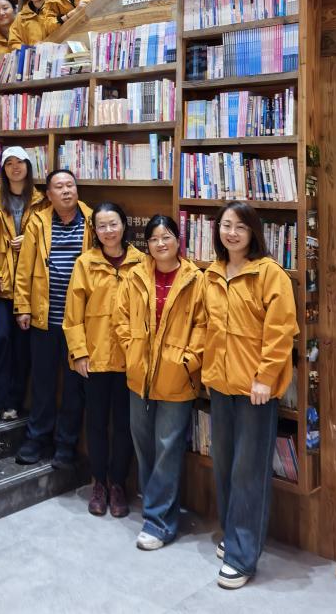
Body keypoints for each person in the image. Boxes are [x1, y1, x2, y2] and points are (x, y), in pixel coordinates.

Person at [202, 201, 297, 589]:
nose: (232, 233)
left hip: (255, 389)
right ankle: (234, 533)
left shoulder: (269, 273)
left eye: (240, 227)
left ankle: (242, 556)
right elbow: (206, 326)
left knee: (249, 471)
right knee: (224, 464)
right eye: (226, 225)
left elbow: (281, 332)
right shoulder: (212, 272)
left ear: (253, 231)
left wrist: (265, 377)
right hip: (220, 384)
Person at [113, 215, 205, 550]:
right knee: (144, 445)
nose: (160, 243)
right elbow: (120, 318)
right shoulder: (135, 275)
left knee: (168, 448)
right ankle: (157, 508)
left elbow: (204, 325)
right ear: (147, 244)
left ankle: (159, 521)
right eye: (153, 239)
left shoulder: (196, 279)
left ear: (178, 240)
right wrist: (131, 350)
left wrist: (187, 361)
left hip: (177, 377)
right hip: (140, 375)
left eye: (166, 237)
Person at [63, 202, 143, 518]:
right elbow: (73, 315)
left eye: (113, 224)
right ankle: (98, 483)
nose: (108, 231)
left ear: (124, 225)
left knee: (124, 424)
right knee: (95, 423)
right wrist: (79, 353)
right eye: (102, 226)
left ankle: (118, 483)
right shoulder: (85, 263)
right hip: (94, 358)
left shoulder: (141, 262)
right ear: (94, 230)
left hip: (129, 359)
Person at [14, 170, 93, 466]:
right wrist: (22, 306)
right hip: (44, 316)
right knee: (43, 383)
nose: (66, 191)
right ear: (48, 195)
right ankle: (37, 438)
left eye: (70, 185)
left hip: (80, 322)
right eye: (59, 187)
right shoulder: (38, 222)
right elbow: (25, 267)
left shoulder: (92, 221)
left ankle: (66, 445)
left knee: (74, 387)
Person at [0, 146, 48, 424]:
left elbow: (46, 236)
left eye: (20, 162)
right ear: (3, 169)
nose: (15, 167)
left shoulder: (40, 200)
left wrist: (28, 240)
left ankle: (12, 402)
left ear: (29, 167)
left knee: (21, 347)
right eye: (9, 163)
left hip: (29, 285)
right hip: (0, 285)